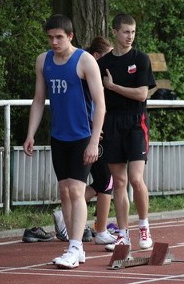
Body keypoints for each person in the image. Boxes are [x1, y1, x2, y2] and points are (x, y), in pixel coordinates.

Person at [23, 14, 106, 269]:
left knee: (76, 191)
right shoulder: (43, 61)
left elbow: (100, 103)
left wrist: (94, 141)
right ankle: (74, 244)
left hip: (82, 135)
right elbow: (39, 100)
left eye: (59, 37)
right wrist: (30, 133)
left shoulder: (85, 61)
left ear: (70, 36)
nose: (54, 42)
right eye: (50, 37)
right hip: (59, 136)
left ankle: (75, 246)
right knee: (64, 192)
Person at [97, 14, 156, 253]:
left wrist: (113, 87)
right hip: (111, 122)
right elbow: (95, 96)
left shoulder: (140, 59)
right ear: (115, 32)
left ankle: (144, 226)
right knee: (119, 181)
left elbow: (142, 94)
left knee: (135, 178)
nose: (130, 36)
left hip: (136, 122)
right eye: (125, 32)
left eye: (133, 32)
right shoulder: (103, 64)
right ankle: (123, 234)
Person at [51, 36, 116, 246]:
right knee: (105, 181)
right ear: (96, 56)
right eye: (108, 56)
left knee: (91, 184)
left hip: (93, 132)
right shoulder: (85, 69)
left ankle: (75, 224)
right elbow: (86, 105)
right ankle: (100, 230)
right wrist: (95, 134)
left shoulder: (98, 73)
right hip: (87, 134)